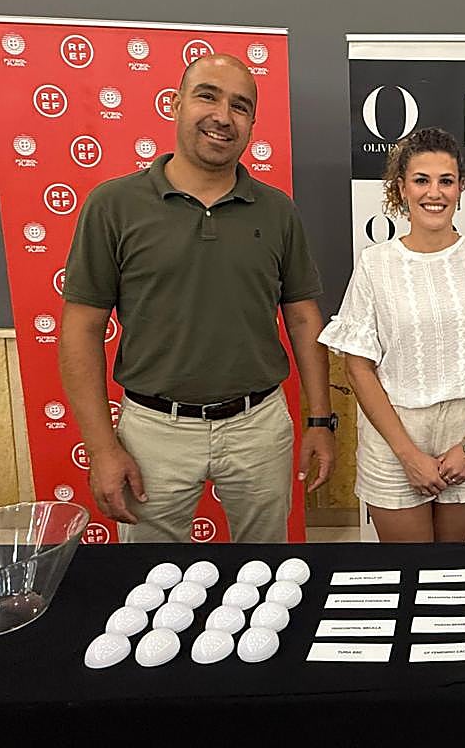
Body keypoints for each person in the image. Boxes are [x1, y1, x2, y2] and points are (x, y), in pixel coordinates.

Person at [59, 53, 335, 543]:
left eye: (240, 106)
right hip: (153, 431)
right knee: (152, 586)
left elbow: (302, 318)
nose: (222, 116)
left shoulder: (277, 211)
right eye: (207, 95)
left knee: (267, 576)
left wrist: (320, 420)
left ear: (252, 123)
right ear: (175, 103)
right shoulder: (113, 205)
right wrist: (102, 448)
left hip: (259, 427)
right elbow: (80, 328)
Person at [319, 127, 465, 542]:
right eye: (421, 180)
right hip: (394, 437)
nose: (433, 192)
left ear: (460, 188)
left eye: (446, 180)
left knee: (449, 569)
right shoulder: (375, 264)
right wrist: (408, 454)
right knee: (408, 570)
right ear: (401, 188)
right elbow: (358, 367)